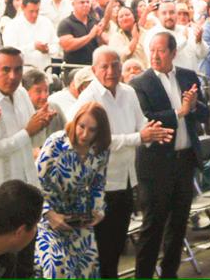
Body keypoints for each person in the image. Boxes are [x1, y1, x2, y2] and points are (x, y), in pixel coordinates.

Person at [77, 47, 172, 278]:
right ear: (94, 70)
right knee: (102, 250)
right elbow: (93, 141)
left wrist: (152, 132)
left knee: (117, 246)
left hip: (127, 179)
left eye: (115, 65)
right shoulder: (88, 98)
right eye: (105, 66)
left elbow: (141, 123)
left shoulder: (128, 92)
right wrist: (139, 137)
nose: (111, 71)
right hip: (100, 184)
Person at [131, 30, 208, 280]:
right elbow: (147, 118)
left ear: (173, 53)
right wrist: (180, 112)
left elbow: (205, 113)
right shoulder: (140, 83)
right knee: (153, 226)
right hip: (155, 164)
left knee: (179, 223)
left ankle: (170, 273)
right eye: (152, 50)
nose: (155, 56)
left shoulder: (187, 76)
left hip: (184, 160)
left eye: (161, 51)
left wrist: (193, 106)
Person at [34, 101, 111, 279]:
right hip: (49, 217)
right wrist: (48, 213)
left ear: (100, 131)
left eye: (92, 130)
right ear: (75, 122)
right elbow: (34, 182)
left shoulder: (101, 150)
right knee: (56, 268)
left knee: (86, 270)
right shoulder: (56, 143)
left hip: (80, 219)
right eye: (81, 126)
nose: (84, 134)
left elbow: (98, 183)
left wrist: (98, 210)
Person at [0, 48, 55, 198]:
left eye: (18, 69)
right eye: (6, 70)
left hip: (28, 185)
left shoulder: (21, 93)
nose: (13, 76)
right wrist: (26, 132)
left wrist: (41, 124)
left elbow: (33, 142)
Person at [0, 0, 56, 72]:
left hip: (44, 70)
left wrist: (48, 49)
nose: (34, 15)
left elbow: (56, 46)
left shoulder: (46, 22)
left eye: (37, 11)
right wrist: (33, 47)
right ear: (23, 7)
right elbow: (10, 52)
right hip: (22, 72)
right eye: (31, 11)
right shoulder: (12, 25)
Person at [58, 0, 109, 67]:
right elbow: (67, 46)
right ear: (73, 4)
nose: (86, 5)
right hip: (74, 67)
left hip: (94, 66)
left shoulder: (95, 21)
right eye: (82, 2)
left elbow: (103, 44)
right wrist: (90, 36)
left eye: (88, 2)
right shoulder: (66, 23)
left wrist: (100, 37)